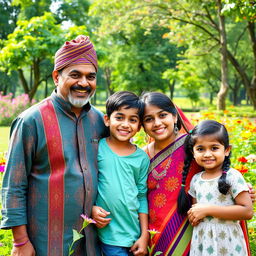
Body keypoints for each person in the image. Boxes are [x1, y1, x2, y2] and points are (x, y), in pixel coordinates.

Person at [0, 35, 108, 256]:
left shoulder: (99, 121)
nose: (84, 83)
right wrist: (20, 242)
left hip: (92, 243)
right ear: (57, 77)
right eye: (75, 75)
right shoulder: (31, 121)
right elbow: (14, 186)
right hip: (45, 242)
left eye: (91, 76)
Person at [140, 92, 254, 255]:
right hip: (154, 232)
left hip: (196, 230)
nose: (157, 123)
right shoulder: (140, 156)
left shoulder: (195, 146)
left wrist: (241, 191)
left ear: (174, 116)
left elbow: (220, 173)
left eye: (163, 115)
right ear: (142, 125)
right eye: (148, 119)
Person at [178, 120, 253, 256]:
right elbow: (197, 212)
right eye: (200, 149)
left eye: (214, 148)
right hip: (202, 242)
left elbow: (247, 211)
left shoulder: (233, 176)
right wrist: (194, 216)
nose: (207, 154)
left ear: (226, 150)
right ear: (193, 152)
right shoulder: (196, 179)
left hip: (228, 242)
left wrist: (209, 210)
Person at [91, 91, 150, 256]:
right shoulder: (98, 149)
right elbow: (86, 184)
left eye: (132, 120)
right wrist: (91, 208)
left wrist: (144, 235)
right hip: (109, 234)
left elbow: (141, 196)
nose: (125, 124)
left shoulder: (141, 158)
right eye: (119, 117)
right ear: (107, 120)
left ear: (139, 127)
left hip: (134, 235)